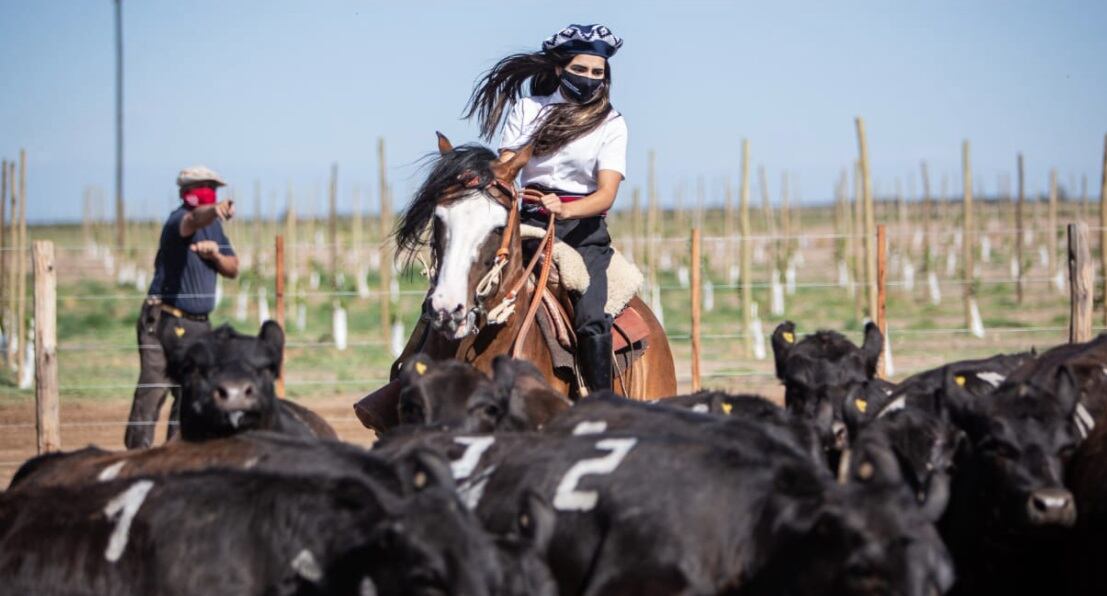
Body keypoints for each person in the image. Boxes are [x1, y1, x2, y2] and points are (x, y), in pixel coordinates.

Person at [464, 23, 627, 393]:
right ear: (559, 69)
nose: (589, 79)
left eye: (597, 72)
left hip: (583, 233)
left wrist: (566, 210)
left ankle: (602, 406)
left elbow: (606, 195)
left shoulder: (612, 124)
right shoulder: (528, 109)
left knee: (591, 319)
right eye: (580, 69)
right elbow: (508, 164)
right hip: (527, 223)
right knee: (463, 286)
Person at [124, 165, 239, 449]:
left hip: (198, 324)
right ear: (187, 192)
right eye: (205, 188)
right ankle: (137, 456)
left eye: (214, 188)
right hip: (163, 320)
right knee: (155, 387)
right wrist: (213, 210)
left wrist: (214, 255)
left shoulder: (215, 228)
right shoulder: (179, 220)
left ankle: (175, 454)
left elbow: (233, 267)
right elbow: (193, 218)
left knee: (190, 391)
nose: (210, 194)